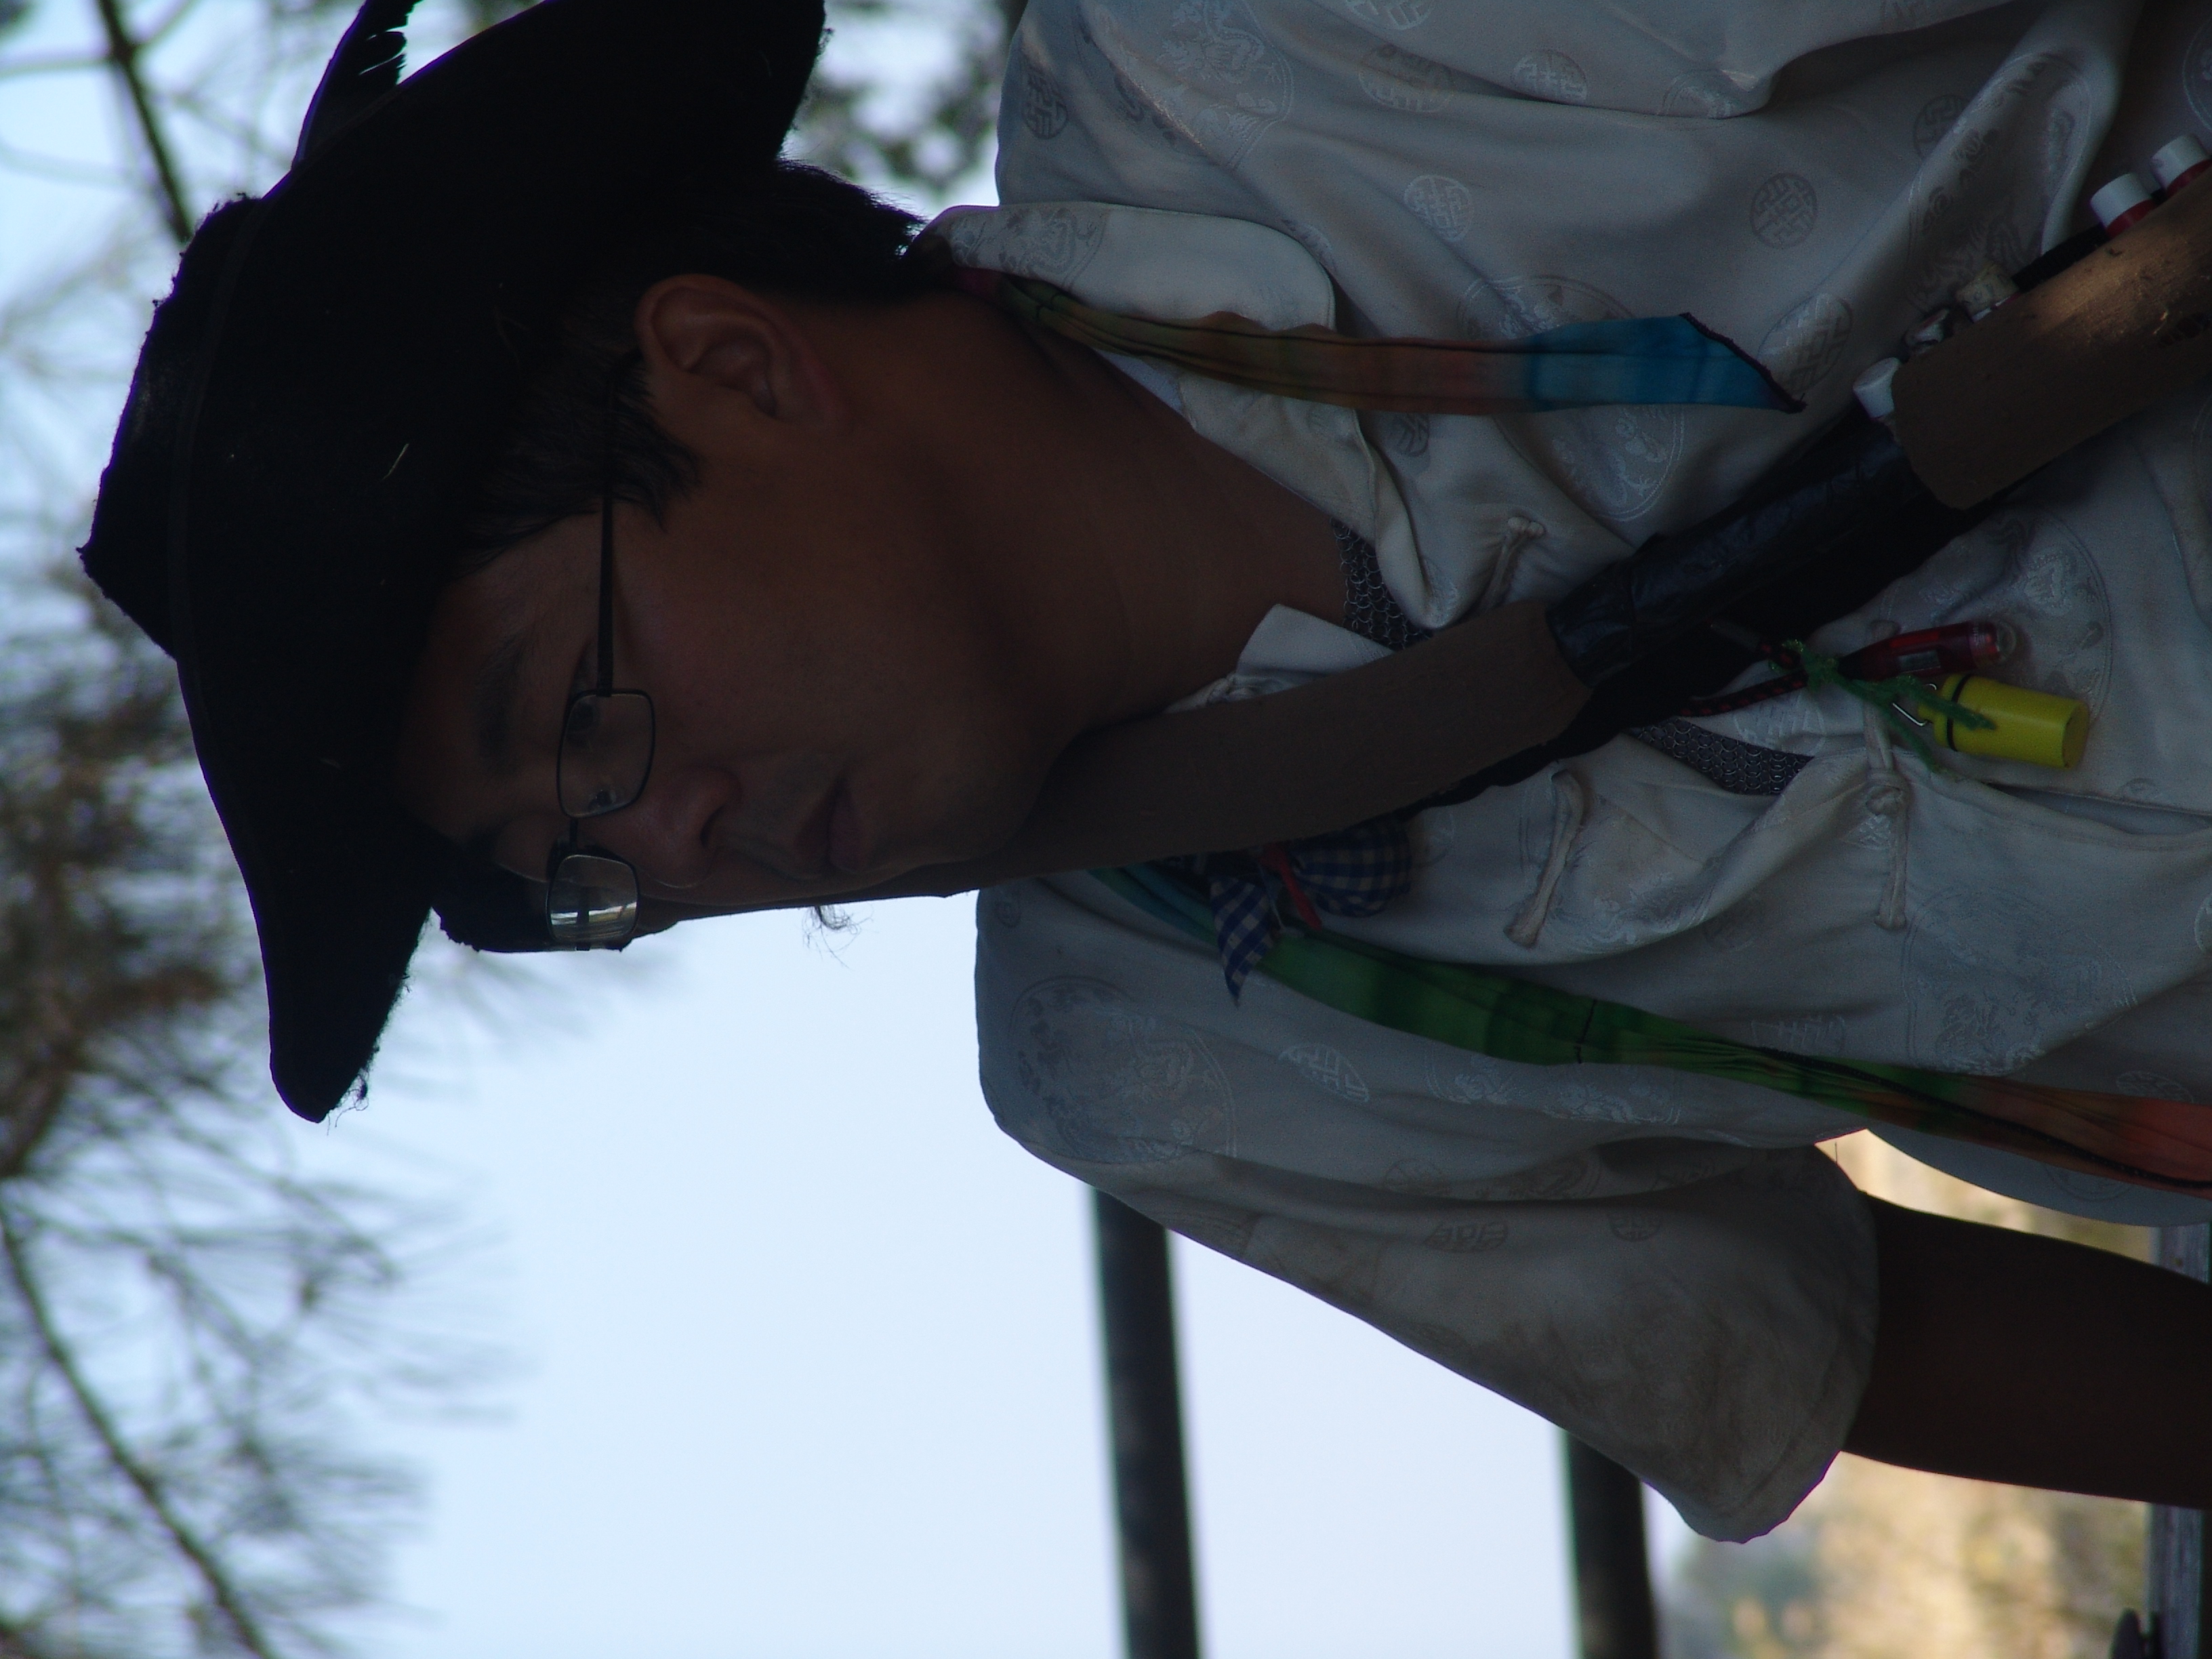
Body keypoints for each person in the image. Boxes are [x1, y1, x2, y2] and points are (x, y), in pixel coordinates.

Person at [80, 0, 2212, 1544]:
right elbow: (1841, 1331)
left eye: (574, 719)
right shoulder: (1144, 1052)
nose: (670, 840)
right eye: (573, 867)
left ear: (732, 362)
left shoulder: (1267, 53)